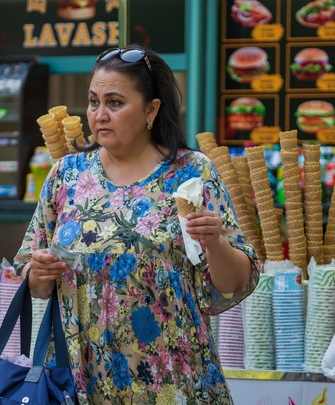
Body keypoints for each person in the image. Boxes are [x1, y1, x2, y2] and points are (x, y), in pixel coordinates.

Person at [14, 45, 261, 404]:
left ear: (151, 109)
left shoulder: (192, 173)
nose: (99, 115)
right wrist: (37, 274)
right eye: (94, 101)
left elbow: (236, 282)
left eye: (114, 103)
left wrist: (216, 243)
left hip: (170, 379)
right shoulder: (66, 175)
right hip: (78, 380)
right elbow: (28, 274)